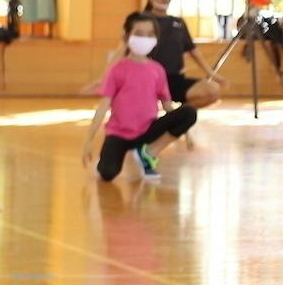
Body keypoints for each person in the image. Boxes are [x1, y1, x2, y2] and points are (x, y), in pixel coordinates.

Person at [83, 13, 198, 183]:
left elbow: (167, 106)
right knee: (107, 173)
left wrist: (187, 135)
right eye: (139, 33)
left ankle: (148, 152)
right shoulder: (117, 70)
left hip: (147, 131)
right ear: (127, 36)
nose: (145, 38)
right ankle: (108, 158)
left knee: (189, 112)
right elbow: (103, 107)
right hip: (119, 134)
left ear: (156, 38)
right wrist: (88, 142)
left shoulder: (157, 70)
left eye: (150, 34)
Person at [136, 0, 224, 110]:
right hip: (147, 79)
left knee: (213, 90)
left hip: (174, 80)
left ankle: (177, 116)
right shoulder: (141, 21)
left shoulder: (178, 23)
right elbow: (125, 49)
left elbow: (194, 51)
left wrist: (212, 74)